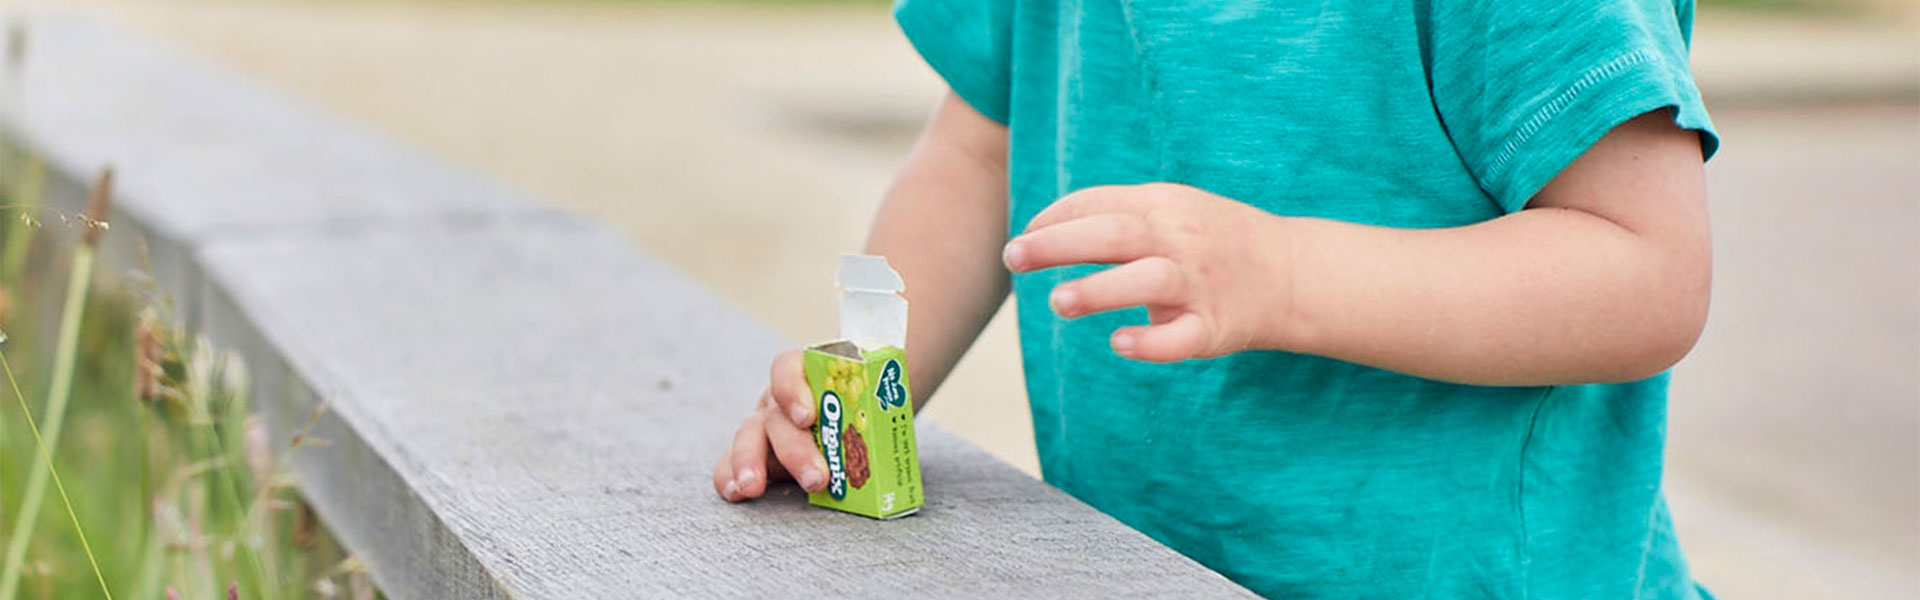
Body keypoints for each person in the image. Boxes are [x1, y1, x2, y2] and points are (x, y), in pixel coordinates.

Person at [712, 0, 1719, 597]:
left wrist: (1284, 275)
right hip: (1144, 564)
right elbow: (977, 151)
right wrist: (863, 402)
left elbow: (1646, 270)